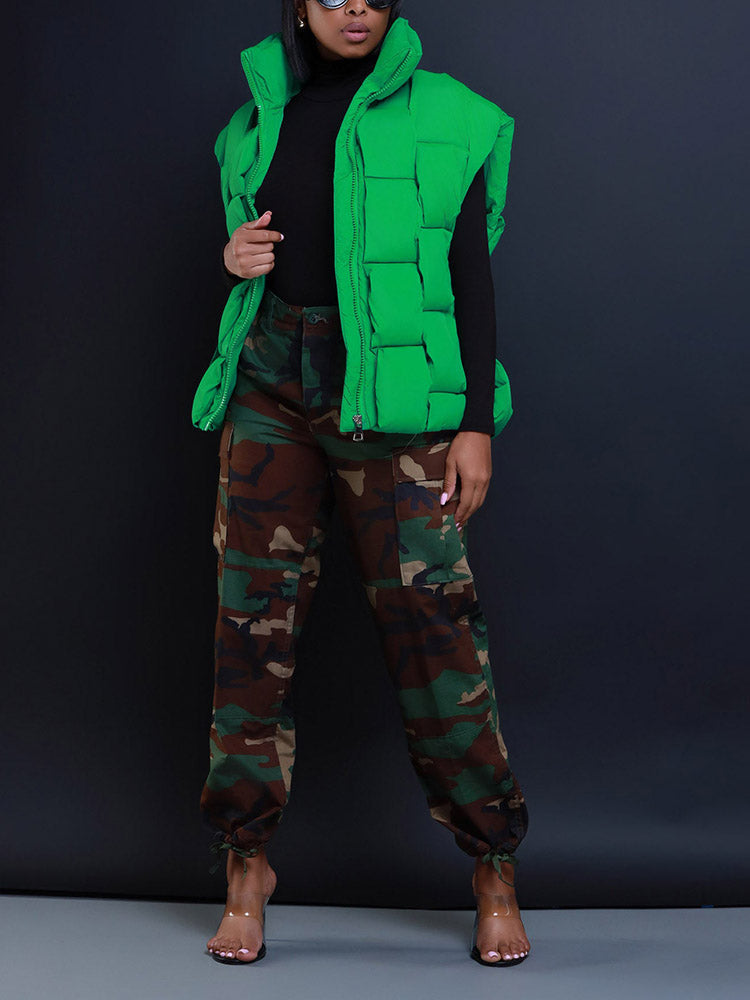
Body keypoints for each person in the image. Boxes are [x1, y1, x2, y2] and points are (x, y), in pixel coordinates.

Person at [195, 0, 530, 968]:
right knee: (250, 626)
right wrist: (234, 255)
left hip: (391, 399)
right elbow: (254, 245)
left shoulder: (455, 116)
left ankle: (493, 864)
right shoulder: (254, 118)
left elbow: (469, 276)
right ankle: (246, 862)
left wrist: (474, 423)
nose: (356, 9)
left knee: (434, 629)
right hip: (270, 383)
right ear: (300, 4)